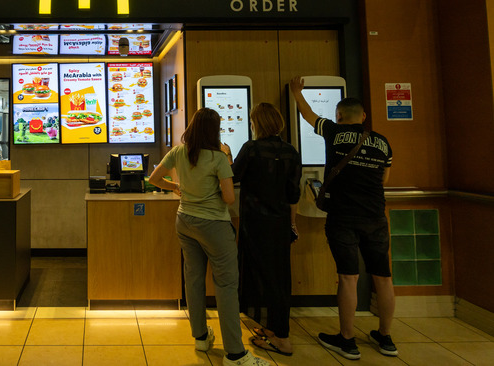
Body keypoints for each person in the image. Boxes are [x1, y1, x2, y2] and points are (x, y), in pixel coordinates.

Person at [149, 107, 269, 366]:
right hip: (213, 224)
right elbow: (228, 198)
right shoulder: (218, 158)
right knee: (226, 285)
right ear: (215, 131)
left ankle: (201, 337)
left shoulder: (180, 151)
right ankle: (236, 354)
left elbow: (154, 178)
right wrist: (226, 158)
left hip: (184, 220)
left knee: (193, 279)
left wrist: (177, 187)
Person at [289, 76, 396, 360]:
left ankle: (347, 340)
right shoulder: (382, 143)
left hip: (343, 217)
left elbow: (308, 114)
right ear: (363, 116)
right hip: (375, 217)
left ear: (338, 116)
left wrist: (297, 92)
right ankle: (385, 338)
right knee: (383, 278)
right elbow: (383, 178)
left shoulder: (334, 132)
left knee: (348, 278)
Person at [221, 103, 301, 357]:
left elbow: (232, 177)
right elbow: (293, 194)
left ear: (258, 124)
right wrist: (292, 224)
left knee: (261, 278)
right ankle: (275, 329)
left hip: (255, 224)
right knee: (279, 278)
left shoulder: (252, 149)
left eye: (253, 122)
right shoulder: (291, 152)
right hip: (279, 225)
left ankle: (282, 339)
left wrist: (225, 156)